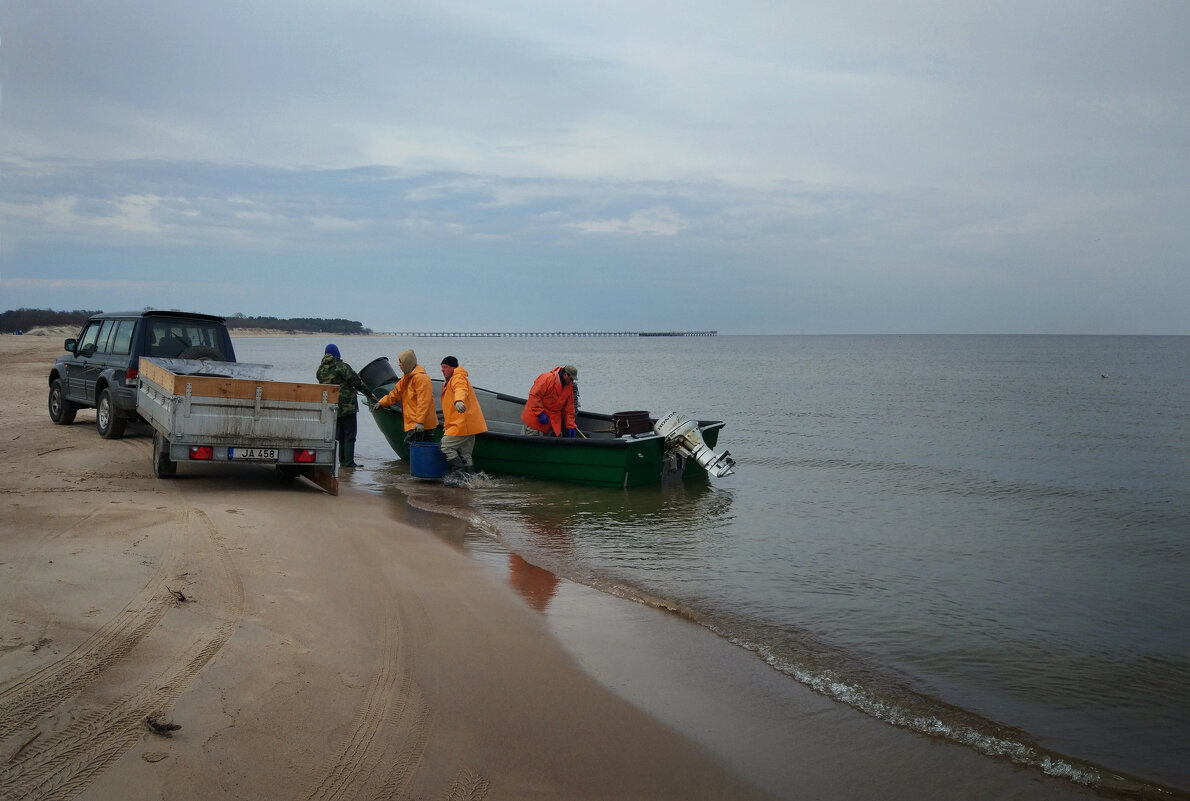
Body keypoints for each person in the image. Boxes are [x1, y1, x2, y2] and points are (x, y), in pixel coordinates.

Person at [316, 343, 370, 468]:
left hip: (332, 405)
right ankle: (349, 462)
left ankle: (341, 460)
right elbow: (356, 382)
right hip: (347, 406)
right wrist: (369, 393)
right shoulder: (341, 366)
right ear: (337, 354)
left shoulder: (320, 370)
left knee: (339, 434)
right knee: (350, 433)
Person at [438, 356, 487, 481]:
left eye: (446, 367)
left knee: (446, 447)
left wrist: (459, 401)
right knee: (465, 454)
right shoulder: (448, 380)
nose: (443, 370)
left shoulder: (458, 378)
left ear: (454, 368)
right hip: (468, 424)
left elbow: (461, 390)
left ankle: (458, 476)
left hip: (462, 424)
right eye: (442, 367)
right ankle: (470, 479)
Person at [376, 348, 438, 444]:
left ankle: (420, 459)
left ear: (407, 363)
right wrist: (382, 402)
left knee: (410, 443)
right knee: (425, 446)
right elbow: (395, 394)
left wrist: (420, 422)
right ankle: (430, 459)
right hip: (415, 422)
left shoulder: (421, 378)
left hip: (422, 424)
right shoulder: (406, 378)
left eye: (401, 362)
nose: (399, 365)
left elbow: (424, 401)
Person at [520, 364, 580, 437]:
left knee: (552, 441)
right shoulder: (547, 378)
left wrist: (571, 425)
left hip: (552, 420)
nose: (572, 381)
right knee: (532, 439)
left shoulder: (569, 386)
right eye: (571, 379)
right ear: (565, 375)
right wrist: (540, 413)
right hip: (535, 416)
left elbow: (569, 408)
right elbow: (534, 396)